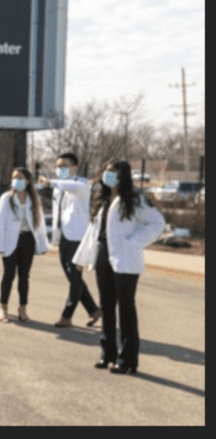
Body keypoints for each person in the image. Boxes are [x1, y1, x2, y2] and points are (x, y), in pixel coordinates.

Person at [73, 159, 165, 374]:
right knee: (106, 306)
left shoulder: (135, 199)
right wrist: (81, 258)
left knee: (126, 308)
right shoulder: (103, 199)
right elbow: (92, 233)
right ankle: (107, 355)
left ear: (123, 175)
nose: (108, 175)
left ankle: (128, 360)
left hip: (125, 256)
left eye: (113, 171)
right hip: (103, 254)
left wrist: (133, 242)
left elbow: (157, 222)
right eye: (106, 171)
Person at [37, 152, 102, 327]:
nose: (60, 169)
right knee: (73, 276)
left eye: (64, 166)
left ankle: (67, 315)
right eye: (58, 166)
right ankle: (93, 310)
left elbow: (69, 185)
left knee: (74, 277)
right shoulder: (60, 187)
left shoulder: (81, 184)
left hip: (77, 237)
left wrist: (50, 182)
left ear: (74, 167)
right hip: (64, 236)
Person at [0, 167, 49, 323]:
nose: (16, 181)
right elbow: (0, 224)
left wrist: (43, 244)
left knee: (24, 276)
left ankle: (22, 308)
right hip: (10, 240)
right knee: (8, 274)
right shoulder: (6, 198)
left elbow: (40, 223)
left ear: (27, 181)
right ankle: (3, 308)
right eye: (14, 178)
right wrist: (0, 246)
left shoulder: (34, 199)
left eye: (19, 178)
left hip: (27, 240)